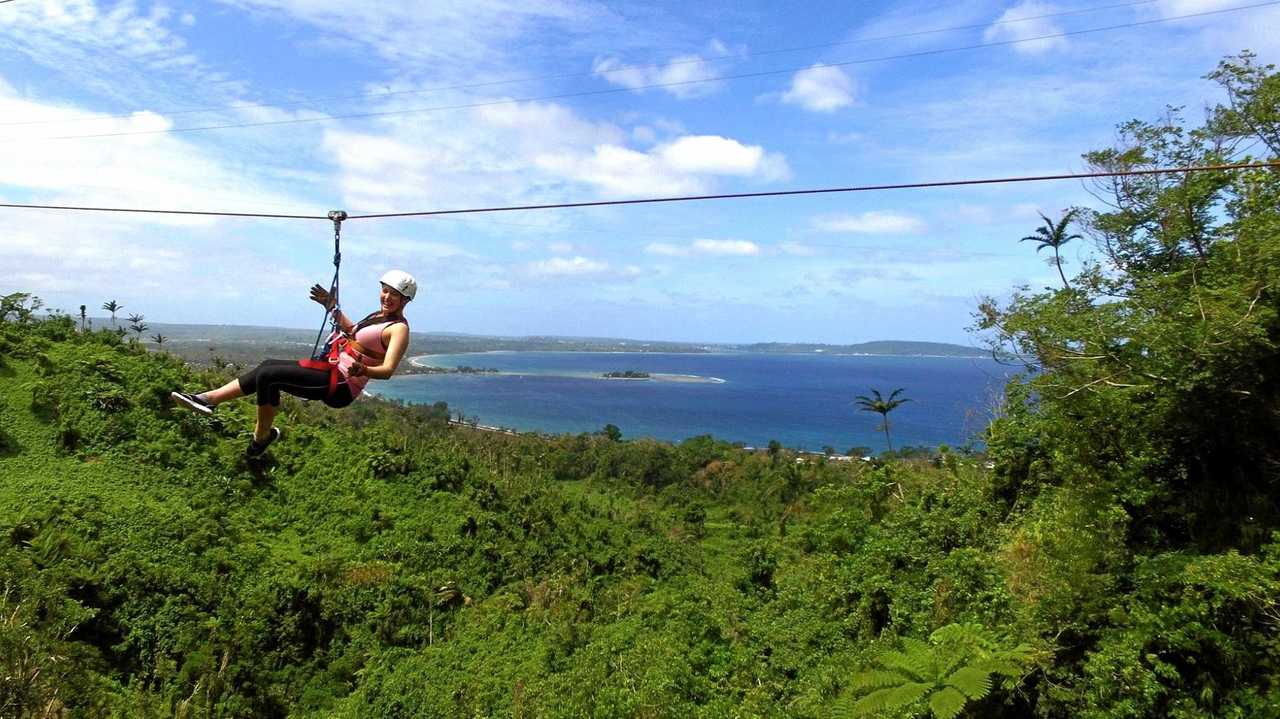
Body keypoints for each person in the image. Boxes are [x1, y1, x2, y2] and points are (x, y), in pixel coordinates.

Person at [171, 270, 416, 457]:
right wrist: (331, 306)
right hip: (332, 371)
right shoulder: (378, 316)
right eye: (385, 290)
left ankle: (259, 437)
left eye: (395, 294)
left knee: (269, 376)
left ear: (405, 300)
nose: (387, 297)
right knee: (267, 368)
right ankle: (207, 400)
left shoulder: (398, 329)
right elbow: (352, 331)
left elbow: (387, 370)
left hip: (341, 386)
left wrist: (364, 369)